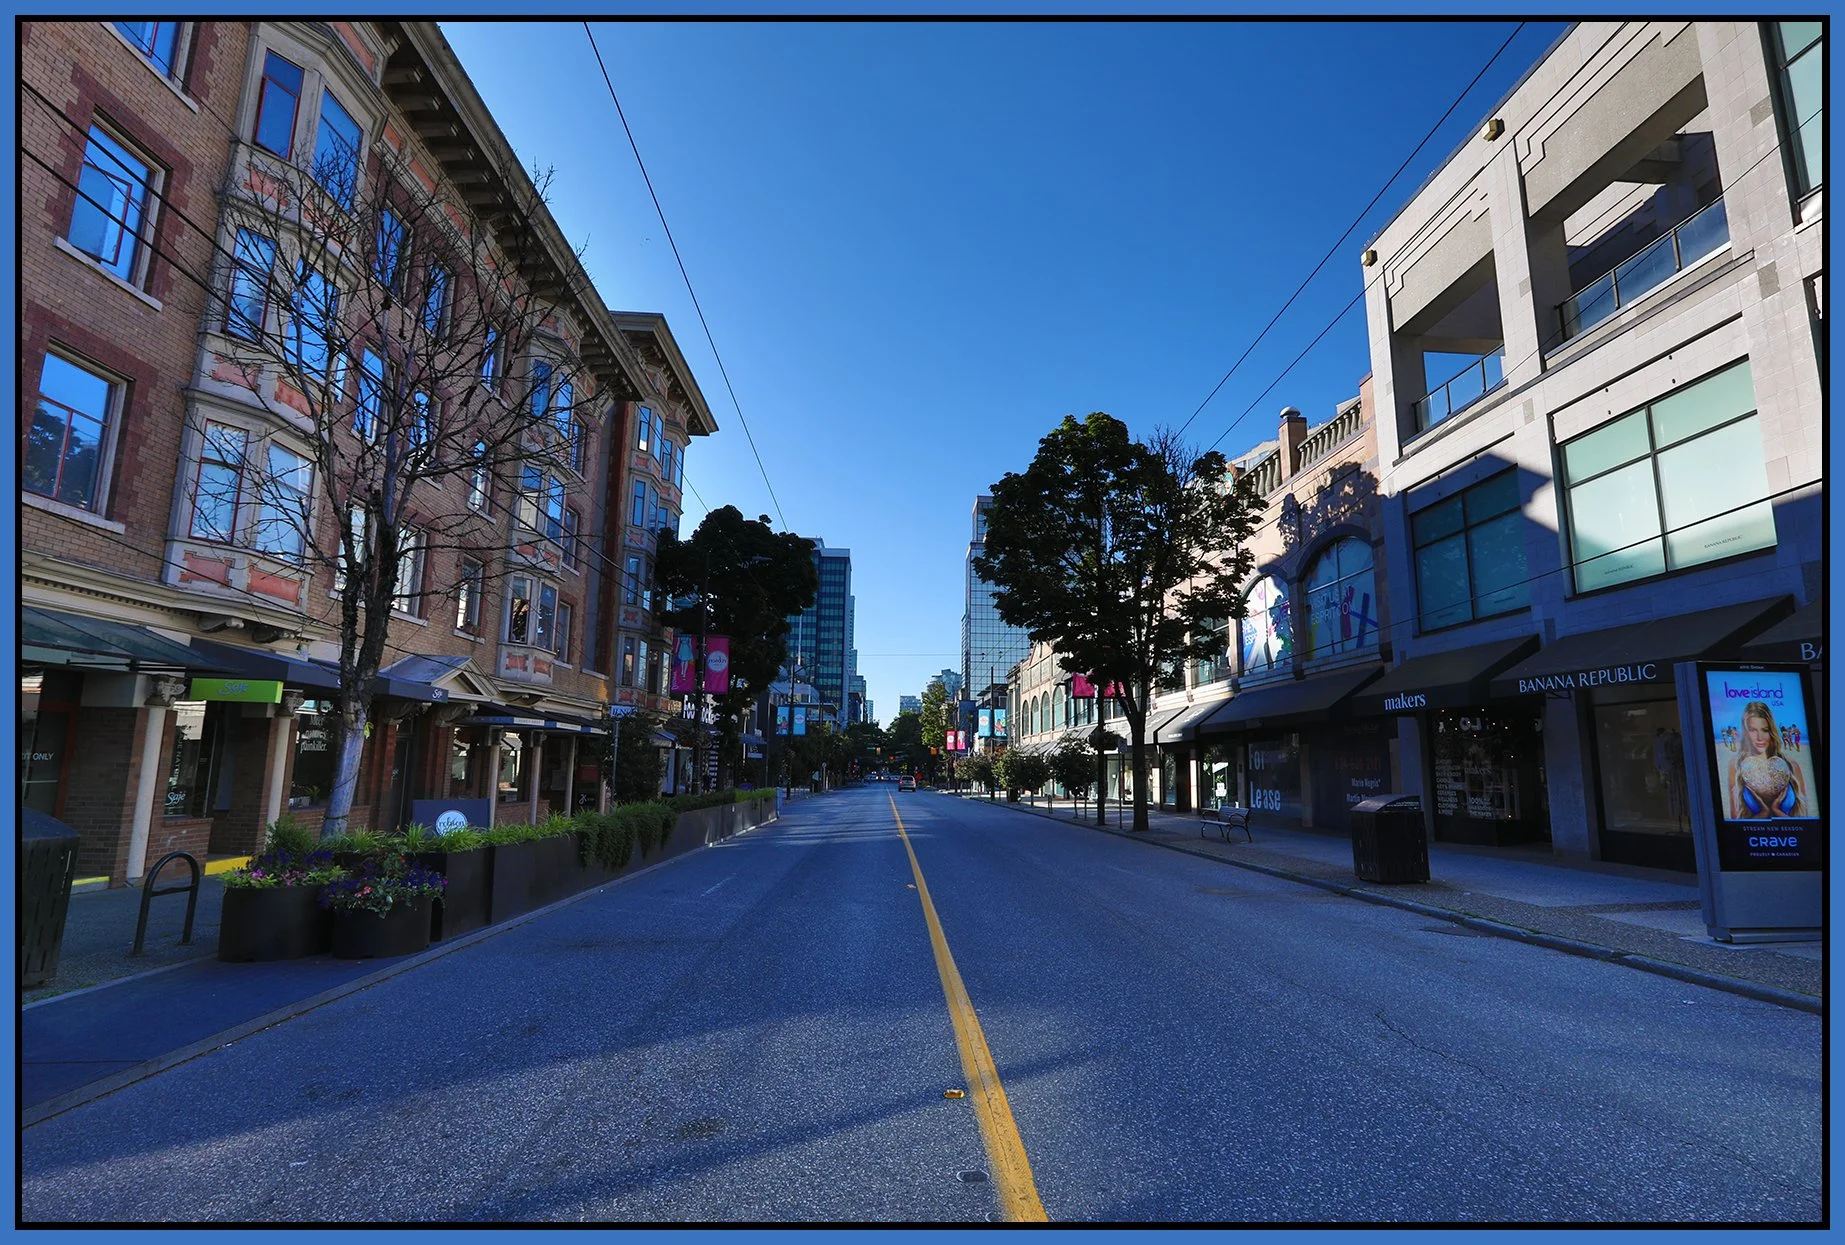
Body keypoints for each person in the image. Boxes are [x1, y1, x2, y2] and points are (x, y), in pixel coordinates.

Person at [1726, 700, 1808, 819]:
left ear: (1772, 731)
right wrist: (1763, 813)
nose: (1759, 737)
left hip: (1792, 836)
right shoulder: (1736, 765)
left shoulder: (1791, 765)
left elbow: (1805, 818)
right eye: (1753, 730)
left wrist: (1776, 811)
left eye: (1765, 730)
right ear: (1746, 732)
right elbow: (1735, 821)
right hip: (1750, 836)